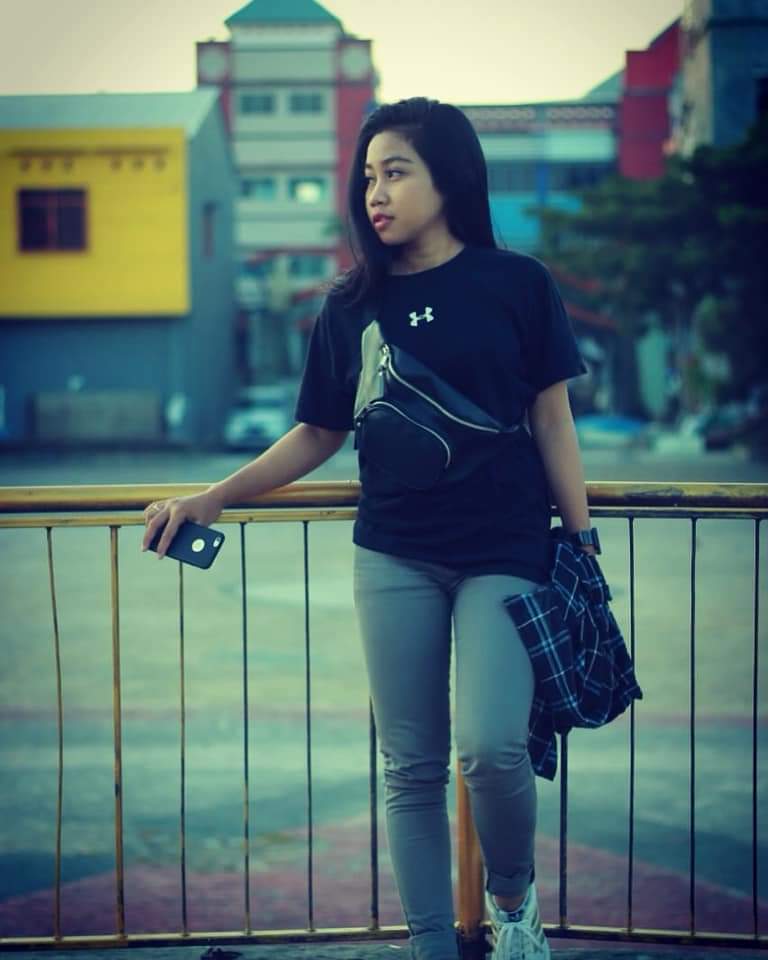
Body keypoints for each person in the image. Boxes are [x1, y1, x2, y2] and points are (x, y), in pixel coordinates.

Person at [142, 97, 597, 960]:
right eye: (368, 176)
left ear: (449, 179)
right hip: (393, 553)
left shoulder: (517, 284)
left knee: (492, 748)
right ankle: (430, 945)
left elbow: (552, 419)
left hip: (505, 547)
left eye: (396, 172)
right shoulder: (352, 303)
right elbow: (318, 432)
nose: (374, 192)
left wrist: (580, 539)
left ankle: (514, 905)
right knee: (411, 766)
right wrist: (215, 495)